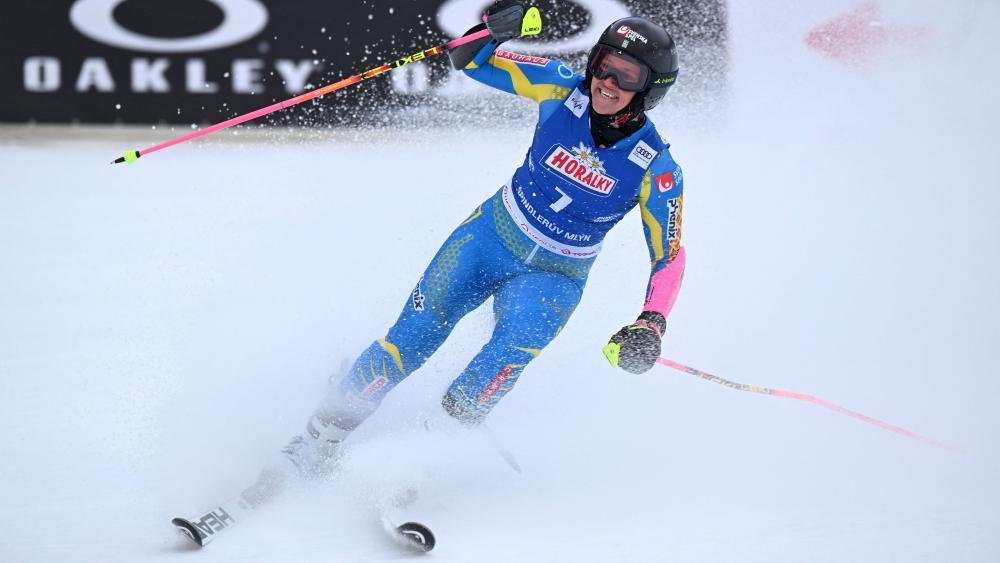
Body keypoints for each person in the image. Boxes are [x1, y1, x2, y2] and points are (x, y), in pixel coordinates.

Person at [245, 1, 686, 503]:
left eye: (626, 77)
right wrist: (496, 27)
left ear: (650, 91)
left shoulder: (658, 168)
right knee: (409, 340)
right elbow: (470, 58)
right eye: (604, 65)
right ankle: (318, 439)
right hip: (491, 237)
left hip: (556, 277)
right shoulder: (561, 86)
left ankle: (413, 468)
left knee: (499, 364)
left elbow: (669, 255)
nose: (608, 82)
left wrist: (652, 322)